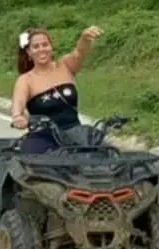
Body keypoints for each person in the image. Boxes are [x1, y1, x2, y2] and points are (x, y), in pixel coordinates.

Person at [11, 25, 103, 154]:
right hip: (44, 137)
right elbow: (17, 110)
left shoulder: (64, 66)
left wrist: (85, 38)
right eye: (36, 47)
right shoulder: (26, 80)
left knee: (102, 155)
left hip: (75, 132)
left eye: (45, 45)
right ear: (29, 52)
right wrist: (19, 119)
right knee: (35, 161)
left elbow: (79, 52)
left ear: (51, 47)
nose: (41, 49)